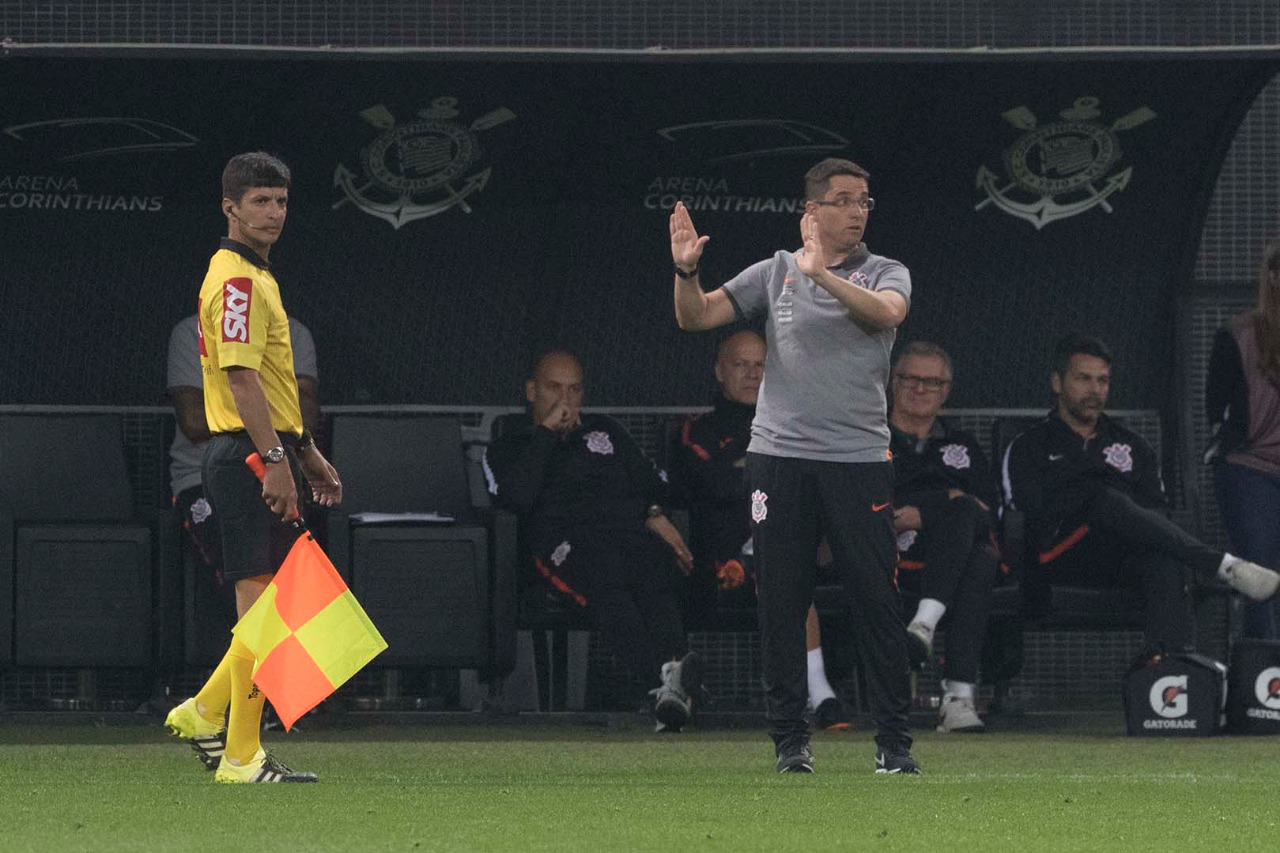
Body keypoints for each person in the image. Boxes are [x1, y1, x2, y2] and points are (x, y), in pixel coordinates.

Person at [670, 157, 918, 774]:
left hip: (857, 462)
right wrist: (685, 270)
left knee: (876, 602)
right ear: (812, 211)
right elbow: (693, 316)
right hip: (778, 461)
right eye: (843, 200)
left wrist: (823, 277)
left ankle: (893, 745)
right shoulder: (775, 271)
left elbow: (886, 314)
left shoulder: (886, 271)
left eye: (865, 200)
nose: (858, 211)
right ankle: (790, 743)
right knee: (780, 602)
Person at [163, 152, 343, 784]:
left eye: (282, 201)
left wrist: (305, 450)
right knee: (259, 607)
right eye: (260, 201)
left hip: (260, 449)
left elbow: (269, 381)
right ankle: (239, 753)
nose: (274, 213)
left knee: (273, 607)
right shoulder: (237, 279)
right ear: (229, 207)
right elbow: (241, 379)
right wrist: (274, 460)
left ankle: (205, 711)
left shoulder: (255, 275)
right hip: (241, 452)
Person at [1002, 333, 1279, 655]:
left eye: (1103, 381)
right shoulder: (1027, 445)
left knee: (1164, 562)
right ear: (1057, 382)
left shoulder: (1133, 445)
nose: (1095, 390)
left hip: (1122, 559)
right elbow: (1027, 512)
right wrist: (1090, 492)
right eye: (1083, 379)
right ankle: (1221, 565)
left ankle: (1165, 675)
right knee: (1104, 498)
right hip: (1058, 559)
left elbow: (1155, 513)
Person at [483, 349, 704, 731]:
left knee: (656, 564)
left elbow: (655, 486)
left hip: (627, 534)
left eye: (574, 389)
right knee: (606, 572)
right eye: (554, 388)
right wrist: (547, 433)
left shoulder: (606, 431)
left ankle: (674, 682)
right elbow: (514, 500)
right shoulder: (510, 444)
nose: (565, 400)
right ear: (532, 391)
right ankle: (665, 684)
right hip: (563, 544)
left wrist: (653, 515)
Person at [668, 329, 854, 731]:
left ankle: (821, 692)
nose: (753, 374)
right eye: (741, 364)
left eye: (761, 365)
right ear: (719, 371)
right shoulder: (696, 431)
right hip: (717, 560)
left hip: (795, 547)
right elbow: (709, 482)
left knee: (801, 545)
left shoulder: (796, 425)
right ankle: (819, 693)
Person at [167, 312, 320, 633]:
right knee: (237, 578)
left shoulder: (293, 332)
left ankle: (280, 677)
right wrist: (266, 403)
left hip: (280, 479)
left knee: (295, 580)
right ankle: (245, 675)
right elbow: (194, 420)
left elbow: (305, 417)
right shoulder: (191, 332)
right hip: (205, 480)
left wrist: (242, 406)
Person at [888, 341, 999, 733]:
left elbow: (988, 513)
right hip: (890, 563)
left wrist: (926, 512)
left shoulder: (963, 447)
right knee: (972, 538)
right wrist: (942, 503)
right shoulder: (869, 440)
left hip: (951, 564)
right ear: (892, 381)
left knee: (979, 545)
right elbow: (873, 510)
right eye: (911, 379)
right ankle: (958, 695)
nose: (921, 389)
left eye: (932, 382)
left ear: (946, 391)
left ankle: (924, 630)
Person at [1207, 243, 1280, 639]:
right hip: (1251, 467)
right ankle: (1266, 685)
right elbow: (1215, 406)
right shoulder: (1239, 335)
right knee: (1260, 576)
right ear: (1273, 277)